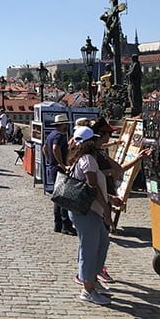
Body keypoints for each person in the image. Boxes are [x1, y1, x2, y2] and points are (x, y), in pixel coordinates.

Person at [67, 126, 114, 306]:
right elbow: (92, 187)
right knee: (89, 249)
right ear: (89, 143)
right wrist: (107, 209)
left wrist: (109, 198)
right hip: (87, 212)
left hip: (88, 211)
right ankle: (88, 290)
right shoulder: (87, 160)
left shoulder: (81, 158)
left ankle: (92, 282)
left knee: (102, 243)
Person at [44, 114, 77, 235]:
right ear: (62, 124)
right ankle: (65, 225)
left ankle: (57, 224)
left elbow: (44, 148)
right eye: (66, 124)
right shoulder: (59, 135)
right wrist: (62, 164)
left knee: (57, 196)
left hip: (53, 167)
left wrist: (49, 160)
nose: (67, 126)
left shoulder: (51, 134)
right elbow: (55, 148)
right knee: (63, 197)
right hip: (59, 169)